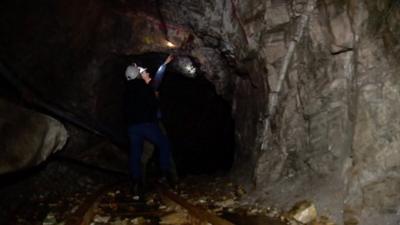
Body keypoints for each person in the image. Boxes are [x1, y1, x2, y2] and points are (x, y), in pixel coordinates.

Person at [124, 55, 175, 198]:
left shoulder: (127, 90)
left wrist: (164, 64)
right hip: (146, 124)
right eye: (142, 72)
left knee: (135, 154)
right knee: (164, 144)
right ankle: (165, 173)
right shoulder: (145, 88)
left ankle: (136, 182)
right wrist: (155, 97)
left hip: (132, 127)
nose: (145, 73)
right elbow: (152, 104)